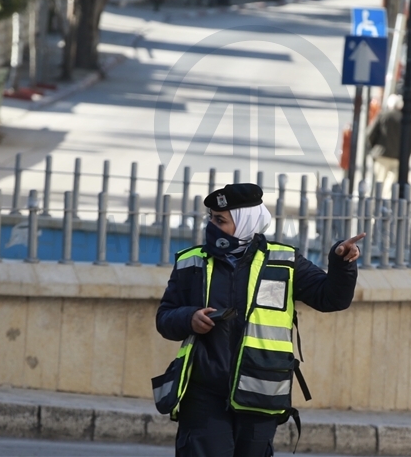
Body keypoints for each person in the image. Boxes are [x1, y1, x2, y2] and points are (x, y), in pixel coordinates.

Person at [153, 183, 364, 457]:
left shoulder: (285, 261)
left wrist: (342, 265)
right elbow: (165, 318)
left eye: (220, 221)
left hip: (260, 392)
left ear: (246, 221)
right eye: (211, 219)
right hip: (203, 393)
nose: (212, 227)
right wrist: (188, 318)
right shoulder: (192, 262)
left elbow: (331, 299)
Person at [366, 94, 411, 190]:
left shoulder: (383, 115)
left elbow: (370, 134)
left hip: (382, 155)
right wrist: (405, 155)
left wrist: (374, 148)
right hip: (398, 156)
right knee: (392, 185)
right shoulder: (405, 118)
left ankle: (379, 199)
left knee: (379, 183)